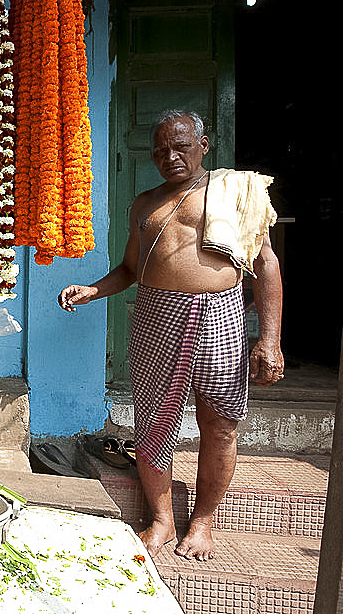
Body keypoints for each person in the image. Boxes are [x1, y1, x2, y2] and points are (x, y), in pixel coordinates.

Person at [58, 109, 284, 562]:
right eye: (160, 149)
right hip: (155, 316)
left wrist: (270, 339)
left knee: (219, 425)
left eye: (181, 146)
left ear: (204, 146)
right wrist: (92, 290)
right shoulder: (144, 204)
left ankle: (202, 522)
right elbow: (128, 269)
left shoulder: (234, 191)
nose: (170, 156)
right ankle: (161, 519)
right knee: (153, 426)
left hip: (221, 314)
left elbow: (266, 265)